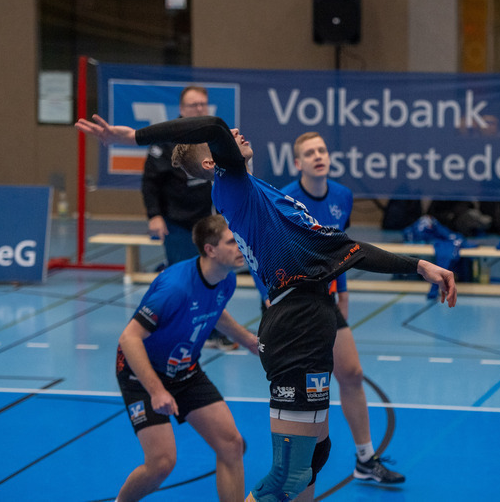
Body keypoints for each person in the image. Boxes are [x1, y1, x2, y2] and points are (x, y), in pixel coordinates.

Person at [76, 114, 456, 502]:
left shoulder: (264, 195)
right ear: (212, 162)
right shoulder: (232, 185)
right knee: (285, 479)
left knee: (314, 456)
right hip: (295, 325)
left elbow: (344, 247)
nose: (236, 132)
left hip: (313, 316)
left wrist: (418, 266)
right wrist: (132, 135)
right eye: (223, 141)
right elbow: (211, 126)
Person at [276, 132, 404, 485]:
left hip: (326, 298)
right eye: (309, 152)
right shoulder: (285, 198)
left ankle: (365, 460)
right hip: (292, 304)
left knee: (351, 373)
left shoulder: (343, 196)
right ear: (297, 163)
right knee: (304, 390)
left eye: (322, 149)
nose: (318, 155)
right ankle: (295, 468)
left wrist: (342, 290)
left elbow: (342, 248)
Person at [115, 214, 259, 502]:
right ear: (210, 250)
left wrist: (252, 342)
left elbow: (217, 312)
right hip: (142, 374)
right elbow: (129, 339)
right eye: (232, 242)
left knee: (231, 445)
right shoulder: (175, 289)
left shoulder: (225, 281)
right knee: (161, 464)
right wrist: (156, 391)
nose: (240, 247)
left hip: (185, 371)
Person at [142, 85, 235, 350]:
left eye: (203, 105)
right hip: (176, 223)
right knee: (182, 280)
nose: (199, 109)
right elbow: (150, 182)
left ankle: (212, 332)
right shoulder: (165, 140)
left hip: (208, 221)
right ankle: (173, 329)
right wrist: (154, 216)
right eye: (193, 105)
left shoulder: (213, 137)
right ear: (182, 110)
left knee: (213, 276)